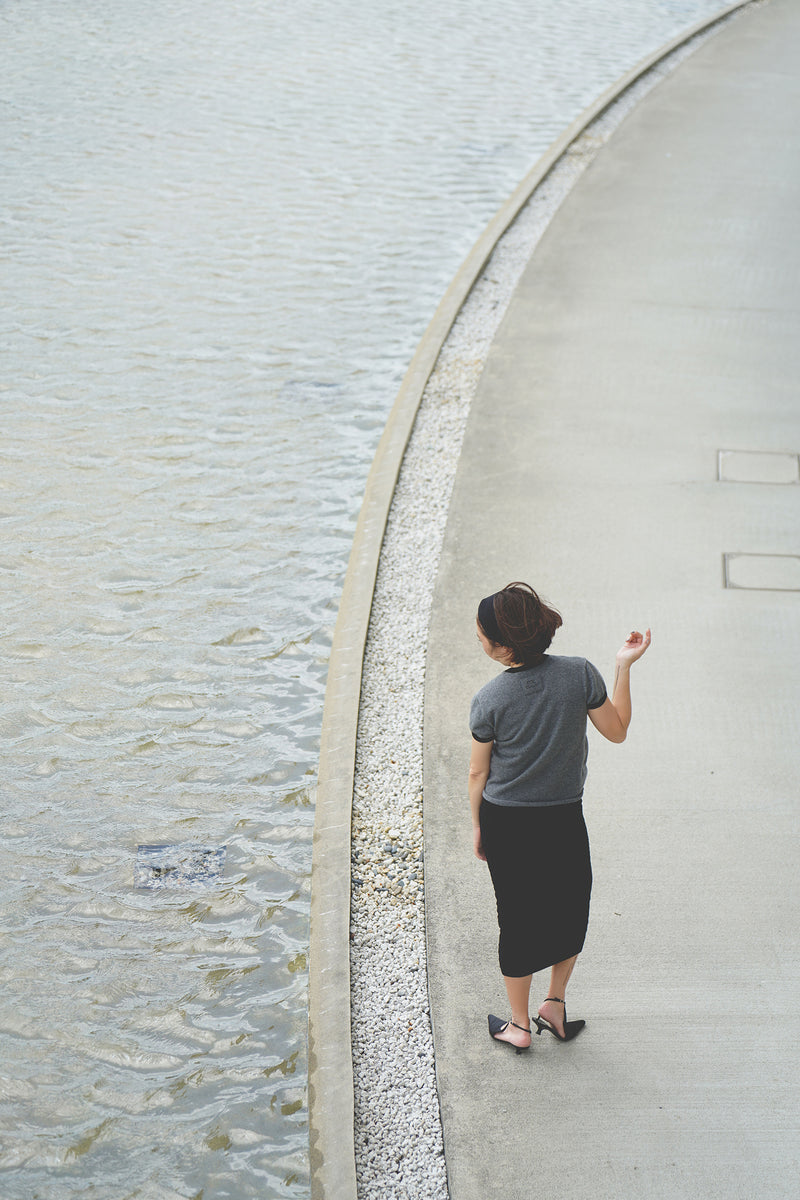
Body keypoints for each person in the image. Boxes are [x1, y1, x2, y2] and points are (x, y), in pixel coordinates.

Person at [469, 582, 650, 1053]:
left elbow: (477, 773)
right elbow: (618, 731)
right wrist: (622, 667)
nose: (480, 639)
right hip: (564, 818)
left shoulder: (490, 698)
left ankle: (519, 1025)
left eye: (482, 634)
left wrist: (478, 826)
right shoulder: (579, 674)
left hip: (507, 822)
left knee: (518, 918)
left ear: (504, 645)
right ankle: (554, 1003)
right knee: (571, 908)